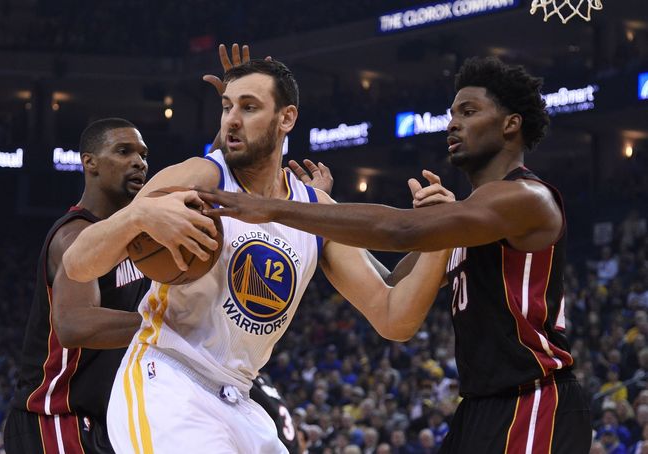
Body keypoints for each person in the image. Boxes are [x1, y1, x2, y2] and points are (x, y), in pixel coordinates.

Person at [198, 57, 592, 453]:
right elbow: (390, 286)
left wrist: (279, 208)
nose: (452, 123)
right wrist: (321, 205)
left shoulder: (525, 197)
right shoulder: (465, 217)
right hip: (480, 408)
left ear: (511, 124)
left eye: (469, 112)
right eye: (451, 113)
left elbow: (400, 230)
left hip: (535, 398)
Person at [62, 58, 453, 453]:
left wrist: (442, 235)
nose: (231, 119)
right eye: (227, 106)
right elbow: (78, 263)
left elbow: (394, 317)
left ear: (286, 119)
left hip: (240, 400)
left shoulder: (313, 209)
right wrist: (138, 214)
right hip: (166, 380)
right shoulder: (202, 176)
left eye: (248, 107)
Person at [3, 118, 152, 453]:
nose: (138, 161)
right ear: (90, 162)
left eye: (143, 154)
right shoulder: (77, 236)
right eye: (124, 151)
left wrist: (233, 113)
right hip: (55, 416)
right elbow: (73, 323)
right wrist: (167, 325)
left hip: (100, 420)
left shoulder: (135, 236)